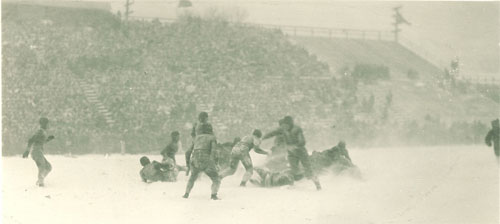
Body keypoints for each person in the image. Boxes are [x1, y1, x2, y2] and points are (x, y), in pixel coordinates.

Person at [263, 116, 321, 190]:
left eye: (286, 125)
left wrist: (296, 146)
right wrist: (262, 138)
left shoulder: (296, 129)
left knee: (308, 171)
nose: (284, 127)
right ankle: (292, 179)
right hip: (291, 153)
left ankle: (317, 185)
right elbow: (272, 133)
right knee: (295, 171)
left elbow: (302, 141)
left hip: (301, 152)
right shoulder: (282, 130)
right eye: (283, 125)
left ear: (290, 124)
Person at [183, 123, 221, 200]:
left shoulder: (196, 138)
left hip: (195, 159)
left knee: (192, 177)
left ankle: (186, 193)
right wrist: (216, 163)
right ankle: (214, 195)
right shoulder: (212, 138)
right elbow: (214, 152)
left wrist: (188, 165)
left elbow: (187, 152)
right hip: (206, 159)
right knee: (216, 179)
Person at [22, 117, 55, 187]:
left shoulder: (42, 131)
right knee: (42, 166)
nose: (49, 125)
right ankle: (40, 183)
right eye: (48, 124)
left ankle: (39, 181)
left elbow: (41, 142)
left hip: (38, 151)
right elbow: (31, 140)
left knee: (48, 167)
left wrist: (48, 139)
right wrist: (27, 151)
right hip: (36, 151)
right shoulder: (40, 131)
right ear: (44, 124)